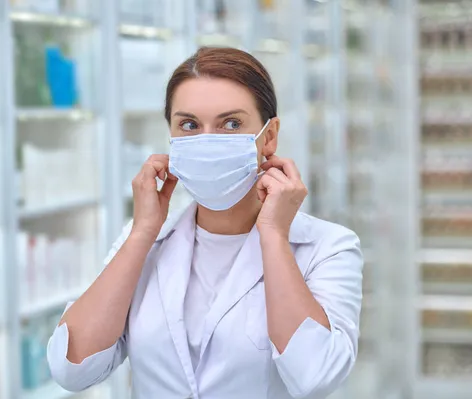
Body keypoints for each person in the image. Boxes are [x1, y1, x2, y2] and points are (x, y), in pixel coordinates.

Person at [47, 47, 363, 399]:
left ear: (269, 137)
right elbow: (71, 368)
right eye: (189, 125)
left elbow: (316, 376)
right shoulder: (146, 242)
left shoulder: (328, 247)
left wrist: (273, 235)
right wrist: (142, 233)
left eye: (231, 124)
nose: (207, 139)